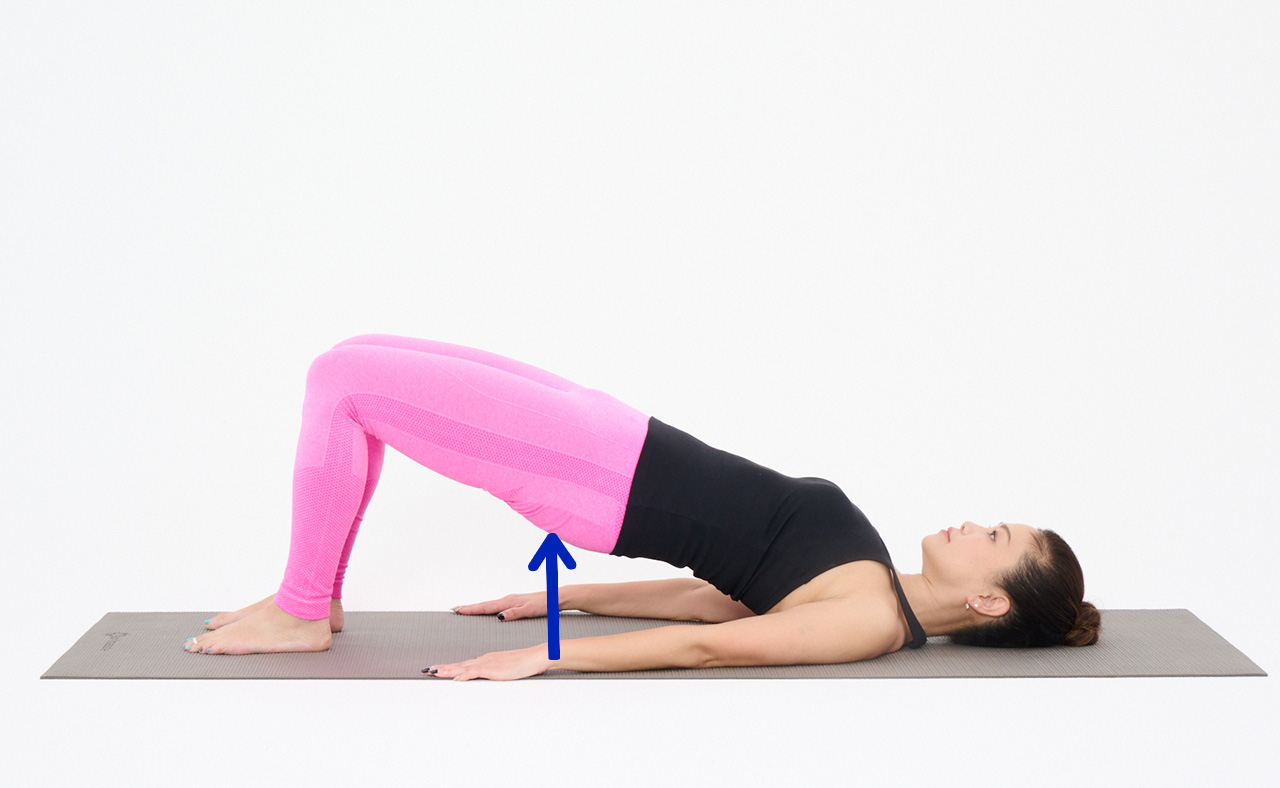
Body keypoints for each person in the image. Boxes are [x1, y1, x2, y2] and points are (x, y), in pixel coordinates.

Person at [185, 333, 1100, 679]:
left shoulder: (866, 622)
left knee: (345, 380)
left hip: (596, 477)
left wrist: (548, 658)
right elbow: (714, 601)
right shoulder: (874, 584)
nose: (973, 524)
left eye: (995, 537)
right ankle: (320, 597)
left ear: (990, 598)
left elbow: (709, 648)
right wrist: (563, 599)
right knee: (362, 355)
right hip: (615, 437)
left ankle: (300, 613)